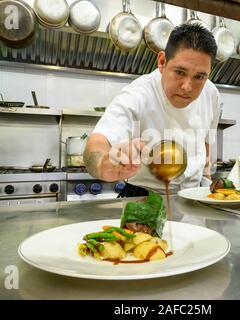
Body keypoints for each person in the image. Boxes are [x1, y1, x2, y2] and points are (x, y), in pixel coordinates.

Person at [84, 23, 221, 197]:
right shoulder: (137, 95)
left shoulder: (212, 94)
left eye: (199, 77)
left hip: (194, 194)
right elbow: (96, 145)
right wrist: (104, 164)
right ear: (162, 62)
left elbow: (206, 141)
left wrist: (206, 180)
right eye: (180, 72)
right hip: (143, 196)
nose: (187, 87)